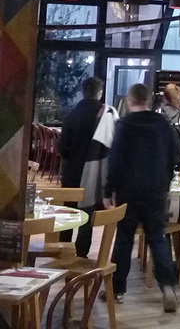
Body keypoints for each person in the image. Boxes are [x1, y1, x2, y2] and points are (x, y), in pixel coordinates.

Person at [104, 83, 177, 312]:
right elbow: (174, 155)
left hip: (129, 191)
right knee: (157, 238)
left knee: (124, 238)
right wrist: (165, 181)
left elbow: (115, 161)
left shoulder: (124, 125)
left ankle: (117, 290)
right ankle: (168, 286)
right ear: (147, 100)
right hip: (156, 190)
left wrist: (108, 190)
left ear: (129, 100)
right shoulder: (163, 124)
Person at [58, 77, 117, 256]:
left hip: (73, 171)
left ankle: (63, 251)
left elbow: (62, 148)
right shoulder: (106, 114)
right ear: (100, 93)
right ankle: (82, 254)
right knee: (88, 212)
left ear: (83, 92)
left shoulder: (72, 115)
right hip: (95, 173)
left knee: (67, 213)